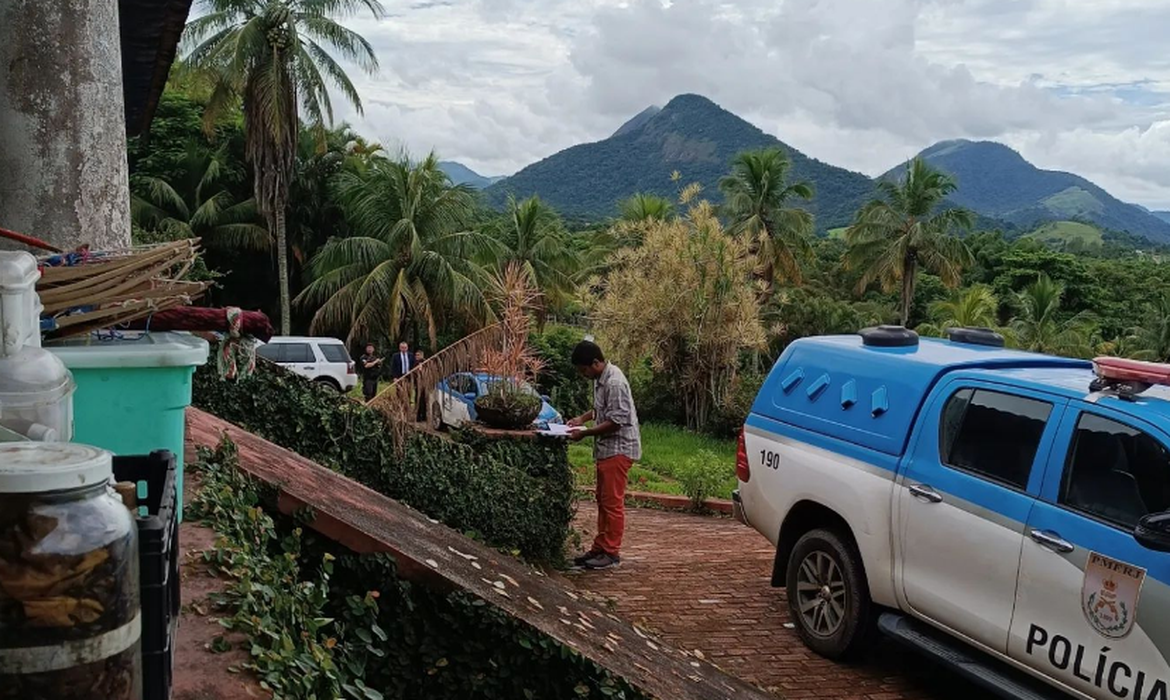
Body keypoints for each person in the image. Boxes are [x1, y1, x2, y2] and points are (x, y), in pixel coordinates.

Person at [566, 340, 641, 570]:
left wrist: (585, 433)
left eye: (584, 370)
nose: (583, 374)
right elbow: (601, 409)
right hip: (607, 450)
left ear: (596, 363)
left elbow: (617, 421)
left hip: (619, 449)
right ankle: (600, 547)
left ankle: (611, 552)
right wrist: (582, 419)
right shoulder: (601, 379)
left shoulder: (615, 382)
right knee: (603, 500)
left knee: (612, 503)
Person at [414, 349, 428, 422]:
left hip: (424, 383)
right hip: (417, 383)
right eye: (416, 355)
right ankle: (418, 416)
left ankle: (424, 416)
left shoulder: (425, 362)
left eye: (418, 355)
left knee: (424, 400)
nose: (417, 356)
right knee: (418, 399)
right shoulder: (414, 363)